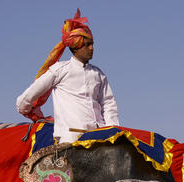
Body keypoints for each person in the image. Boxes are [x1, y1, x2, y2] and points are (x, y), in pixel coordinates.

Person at [16, 9, 119, 143]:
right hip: (71, 138)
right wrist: (32, 114)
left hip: (99, 138)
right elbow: (25, 99)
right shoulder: (60, 70)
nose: (92, 48)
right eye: (87, 45)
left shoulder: (99, 74)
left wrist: (112, 129)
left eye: (92, 44)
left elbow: (108, 103)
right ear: (75, 48)